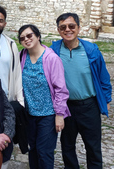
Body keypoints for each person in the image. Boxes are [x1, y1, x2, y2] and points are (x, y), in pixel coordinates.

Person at [50, 13, 112, 169]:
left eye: (72, 26)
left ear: (78, 28)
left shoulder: (91, 50)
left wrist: (107, 99)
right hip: (66, 107)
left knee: (93, 146)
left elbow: (103, 77)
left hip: (89, 106)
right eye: (63, 27)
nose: (68, 30)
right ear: (58, 30)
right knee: (67, 145)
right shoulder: (54, 51)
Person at [18, 24, 70, 169]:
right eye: (22, 38)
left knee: (44, 151)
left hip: (48, 114)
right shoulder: (22, 56)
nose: (26, 40)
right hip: (29, 114)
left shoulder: (51, 58)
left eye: (29, 36)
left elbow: (61, 89)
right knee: (32, 149)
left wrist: (59, 115)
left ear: (38, 36)